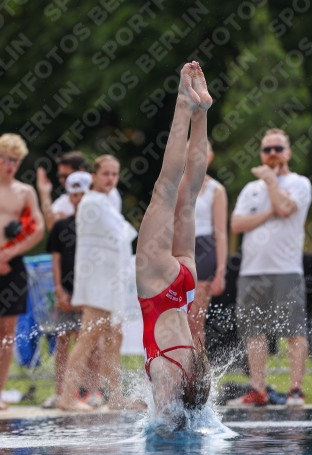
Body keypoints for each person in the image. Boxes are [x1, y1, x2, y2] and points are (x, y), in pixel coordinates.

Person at [136, 61, 212, 425]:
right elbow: (167, 431)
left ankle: (201, 114)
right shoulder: (170, 376)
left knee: (189, 194)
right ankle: (185, 105)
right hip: (158, 288)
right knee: (165, 190)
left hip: (185, 287)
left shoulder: (196, 375)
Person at [229, 128, 312, 407]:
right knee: (254, 332)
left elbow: (286, 208)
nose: (273, 153)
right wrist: (268, 211)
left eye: (278, 148)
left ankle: (295, 390)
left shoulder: (300, 183)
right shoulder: (250, 189)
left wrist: (271, 182)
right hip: (251, 270)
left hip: (286, 268)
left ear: (288, 152)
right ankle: (258, 389)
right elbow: (237, 224)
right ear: (261, 154)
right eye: (267, 149)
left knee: (294, 331)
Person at [58, 155, 138, 411]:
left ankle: (115, 398)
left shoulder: (105, 201)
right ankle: (66, 397)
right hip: (97, 284)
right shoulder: (92, 202)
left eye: (115, 174)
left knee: (115, 337)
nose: (111, 179)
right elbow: (123, 232)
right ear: (94, 175)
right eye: (106, 173)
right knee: (88, 338)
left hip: (110, 282)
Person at [42, 171, 102, 409]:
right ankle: (62, 390)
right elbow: (56, 260)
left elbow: (98, 260)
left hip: (89, 294)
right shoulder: (61, 226)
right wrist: (59, 290)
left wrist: (87, 296)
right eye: (73, 194)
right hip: (66, 292)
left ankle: (94, 390)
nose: (77, 198)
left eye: (81, 193)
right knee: (63, 340)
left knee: (92, 343)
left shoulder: (96, 225)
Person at [0, 133, 44, 410]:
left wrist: (9, 253)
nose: (10, 165)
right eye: (5, 159)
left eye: (15, 160)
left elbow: (38, 228)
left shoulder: (24, 192)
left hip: (11, 263)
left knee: (7, 332)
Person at [188, 142, 228, 348]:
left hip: (203, 250)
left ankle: (197, 375)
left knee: (195, 321)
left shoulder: (216, 190)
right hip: (180, 249)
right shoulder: (176, 186)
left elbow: (220, 233)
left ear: (209, 158)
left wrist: (220, 271)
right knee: (177, 319)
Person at [37, 151, 122, 230]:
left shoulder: (109, 192)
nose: (61, 180)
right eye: (60, 176)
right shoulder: (66, 198)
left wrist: (67, 217)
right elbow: (52, 225)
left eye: (65, 176)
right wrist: (44, 194)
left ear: (81, 172)